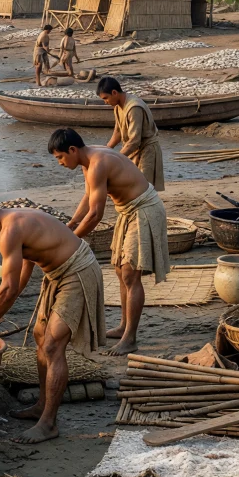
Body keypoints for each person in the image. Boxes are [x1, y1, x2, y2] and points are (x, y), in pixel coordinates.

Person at [0, 190, 104, 444]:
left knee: (53, 345)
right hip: (56, 275)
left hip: (77, 271)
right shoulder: (11, 222)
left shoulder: (9, 231)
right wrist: (1, 309)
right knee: (39, 336)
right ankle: (42, 406)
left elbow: (7, 288)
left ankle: (48, 424)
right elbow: (24, 268)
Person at [50, 128, 171, 356]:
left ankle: (130, 338)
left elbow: (96, 214)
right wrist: (71, 225)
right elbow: (89, 197)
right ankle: (124, 326)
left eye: (60, 157)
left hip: (143, 210)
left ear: (72, 150)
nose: (60, 163)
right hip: (127, 211)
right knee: (119, 269)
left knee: (130, 273)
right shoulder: (88, 160)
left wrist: (71, 242)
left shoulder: (98, 163)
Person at [100, 76, 165, 191]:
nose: (105, 102)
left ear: (114, 93)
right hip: (134, 151)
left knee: (144, 190)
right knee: (132, 188)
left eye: (106, 98)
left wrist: (115, 159)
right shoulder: (118, 107)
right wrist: (105, 151)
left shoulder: (134, 107)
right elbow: (118, 132)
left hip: (146, 151)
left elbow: (134, 141)